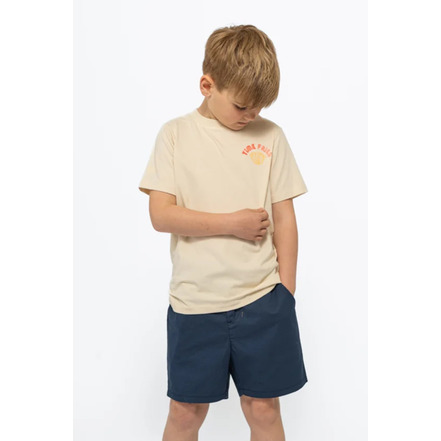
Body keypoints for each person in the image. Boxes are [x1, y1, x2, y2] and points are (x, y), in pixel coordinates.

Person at [139, 24, 309, 441]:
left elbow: (285, 218)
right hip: (194, 303)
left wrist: (286, 293)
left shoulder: (271, 136)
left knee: (264, 410)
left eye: (260, 107)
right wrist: (232, 223)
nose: (251, 116)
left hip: (262, 301)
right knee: (185, 413)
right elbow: (161, 215)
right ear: (207, 85)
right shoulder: (175, 135)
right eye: (242, 106)